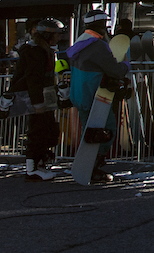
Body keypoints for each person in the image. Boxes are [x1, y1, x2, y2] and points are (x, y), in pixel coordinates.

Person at [65, 12, 129, 185]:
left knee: (89, 131)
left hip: (80, 95)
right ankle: (93, 168)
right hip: (96, 96)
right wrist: (125, 65)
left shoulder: (80, 42)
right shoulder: (97, 45)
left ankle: (88, 167)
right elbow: (114, 70)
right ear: (100, 25)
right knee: (105, 131)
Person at [11, 20, 61, 181]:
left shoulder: (44, 50)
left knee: (48, 130)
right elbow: (34, 79)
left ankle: (40, 162)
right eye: (56, 34)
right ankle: (32, 169)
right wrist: (37, 103)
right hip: (35, 99)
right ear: (47, 35)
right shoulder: (35, 52)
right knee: (37, 131)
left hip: (44, 97)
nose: (59, 37)